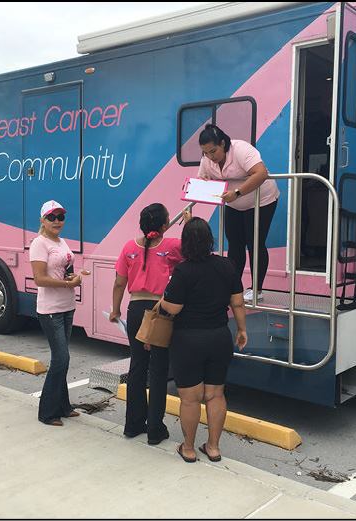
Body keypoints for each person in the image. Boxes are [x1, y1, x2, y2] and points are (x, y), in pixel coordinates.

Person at [160, 217, 247, 463]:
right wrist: (242, 329)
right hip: (219, 337)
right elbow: (237, 301)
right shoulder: (226, 265)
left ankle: (187, 448)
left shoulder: (183, 271)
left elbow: (173, 308)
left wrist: (162, 301)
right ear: (210, 240)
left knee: (190, 398)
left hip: (188, 340)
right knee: (216, 395)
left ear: (185, 243)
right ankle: (214, 447)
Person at [110, 203, 191, 445]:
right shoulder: (171, 246)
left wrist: (115, 310)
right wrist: (188, 223)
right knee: (158, 369)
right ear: (165, 225)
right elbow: (193, 250)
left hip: (135, 309)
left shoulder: (128, 247)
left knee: (137, 366)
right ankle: (155, 429)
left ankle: (133, 424)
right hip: (159, 312)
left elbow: (119, 283)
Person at [198, 124, 280, 302]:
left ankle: (257, 289)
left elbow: (261, 173)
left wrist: (236, 193)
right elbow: (203, 178)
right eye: (206, 153)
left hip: (261, 200)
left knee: (255, 243)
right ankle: (234, 287)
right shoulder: (207, 159)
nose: (210, 157)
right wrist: (202, 184)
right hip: (234, 204)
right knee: (235, 245)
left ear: (222, 143)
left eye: (213, 151)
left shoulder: (241, 149)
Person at [30, 200, 83, 426]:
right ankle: (47, 412)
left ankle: (63, 406)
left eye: (61, 217)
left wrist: (75, 278)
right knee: (61, 358)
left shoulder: (62, 242)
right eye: (52, 217)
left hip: (67, 307)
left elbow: (65, 272)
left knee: (63, 359)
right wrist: (68, 285)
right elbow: (39, 279)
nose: (57, 221)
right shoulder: (39, 244)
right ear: (42, 219)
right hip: (50, 310)